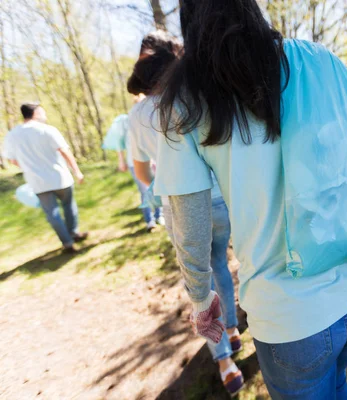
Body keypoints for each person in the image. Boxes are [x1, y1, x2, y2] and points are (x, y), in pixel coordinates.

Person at [153, 2, 347, 399]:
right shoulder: (312, 58)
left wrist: (201, 299)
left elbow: (189, 225)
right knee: (337, 382)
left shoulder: (184, 101)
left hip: (292, 320)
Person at [126, 31, 244, 396]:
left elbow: (141, 171)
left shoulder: (137, 115)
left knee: (199, 282)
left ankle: (224, 359)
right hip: (218, 197)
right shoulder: (196, 95)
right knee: (221, 264)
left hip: (179, 206)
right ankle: (231, 328)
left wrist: (158, 183)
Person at [3, 103, 88, 253]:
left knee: (52, 213)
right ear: (35, 113)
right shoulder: (47, 129)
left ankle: (67, 243)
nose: (45, 115)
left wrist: (28, 168)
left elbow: (12, 160)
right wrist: (77, 171)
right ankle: (74, 233)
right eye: (43, 112)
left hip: (37, 181)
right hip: (60, 177)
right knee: (68, 205)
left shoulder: (12, 135)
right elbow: (64, 151)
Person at [102, 98, 164, 233]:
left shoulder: (155, 117)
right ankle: (150, 220)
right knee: (144, 191)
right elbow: (119, 143)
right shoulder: (126, 122)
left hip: (156, 161)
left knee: (158, 188)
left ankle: (160, 215)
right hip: (134, 162)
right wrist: (121, 161)